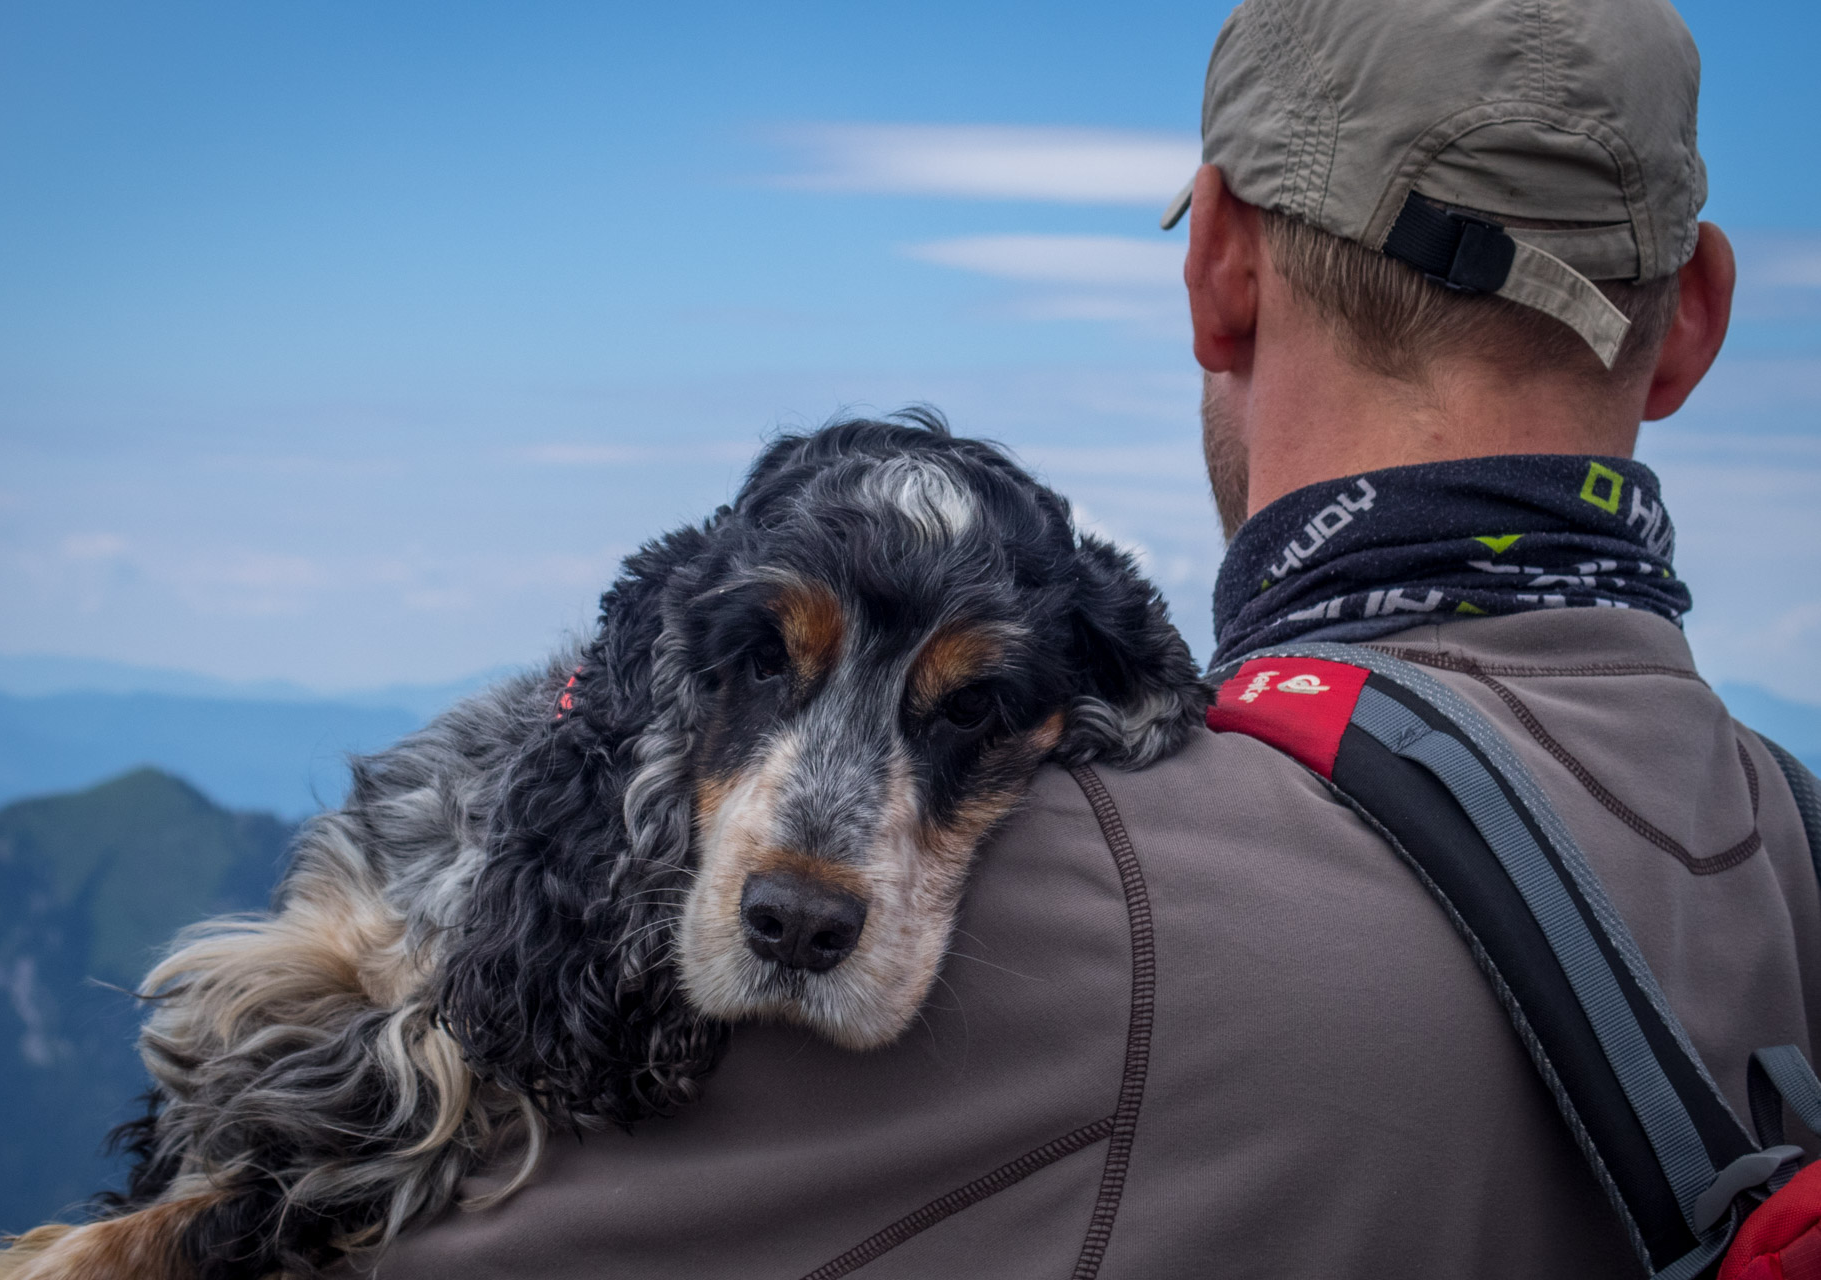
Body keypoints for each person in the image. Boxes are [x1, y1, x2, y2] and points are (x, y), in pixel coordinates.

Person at [374, 0, 1820, 1275]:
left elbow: (323, 1234)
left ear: (1221, 269)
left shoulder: (1088, 884)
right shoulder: (1791, 842)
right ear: (1693, 317)